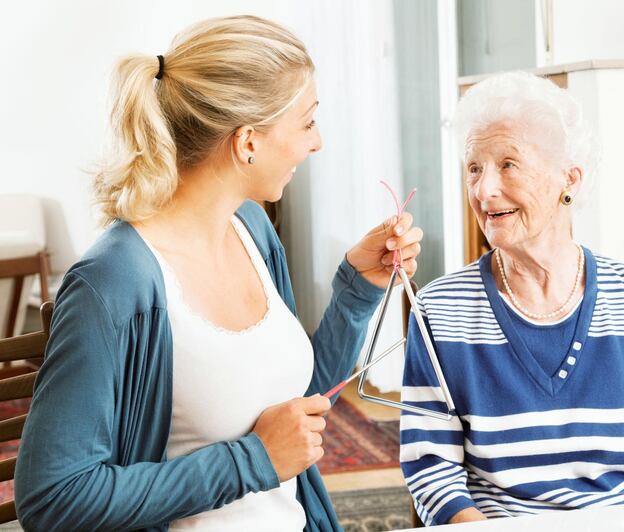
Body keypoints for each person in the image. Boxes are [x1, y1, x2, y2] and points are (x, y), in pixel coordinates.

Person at [15, 15, 423, 531]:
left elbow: (296, 413)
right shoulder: (114, 281)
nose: (316, 142)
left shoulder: (252, 228)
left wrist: (360, 286)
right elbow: (53, 498)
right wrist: (253, 460)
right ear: (247, 141)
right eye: (307, 122)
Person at [399, 71, 624, 525]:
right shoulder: (441, 309)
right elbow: (431, 468)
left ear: (568, 178)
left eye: (507, 164)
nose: (484, 190)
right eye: (475, 167)